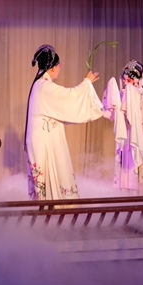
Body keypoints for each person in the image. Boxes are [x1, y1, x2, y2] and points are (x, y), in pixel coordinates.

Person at [25, 44, 102, 200]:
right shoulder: (44, 86)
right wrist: (86, 83)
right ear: (53, 67)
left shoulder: (40, 85)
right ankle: (50, 208)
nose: (60, 68)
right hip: (44, 140)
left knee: (50, 175)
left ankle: (51, 206)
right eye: (59, 65)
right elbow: (70, 97)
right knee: (47, 175)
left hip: (45, 137)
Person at [102, 59, 143, 194]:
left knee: (141, 164)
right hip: (126, 135)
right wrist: (112, 107)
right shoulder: (121, 94)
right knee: (126, 166)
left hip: (141, 135)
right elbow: (112, 116)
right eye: (124, 80)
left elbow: (142, 118)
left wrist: (129, 106)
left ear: (137, 80)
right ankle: (126, 195)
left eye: (129, 80)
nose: (126, 83)